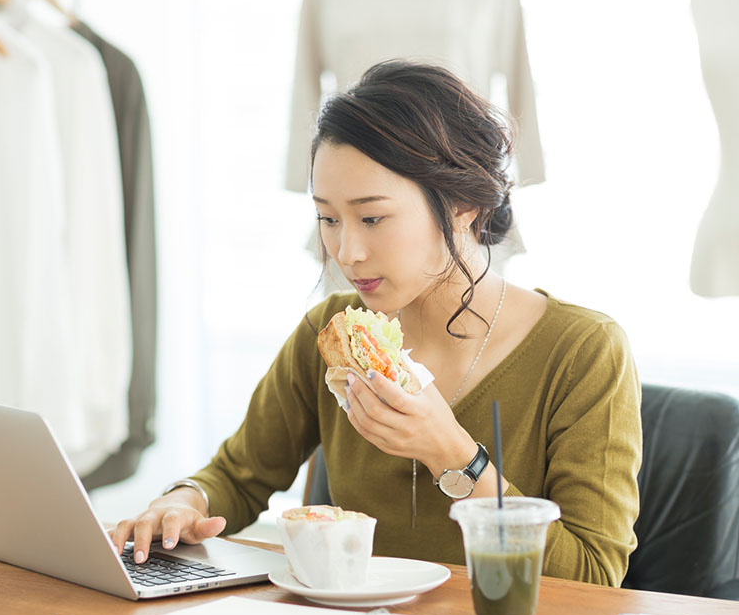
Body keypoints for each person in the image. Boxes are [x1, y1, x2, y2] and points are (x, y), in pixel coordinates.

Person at [112, 60, 642, 587]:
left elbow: (594, 578)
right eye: (328, 218)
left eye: (372, 218)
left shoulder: (584, 351)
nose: (347, 252)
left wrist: (451, 454)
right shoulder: (333, 332)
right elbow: (236, 475)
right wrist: (181, 501)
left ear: (463, 203)